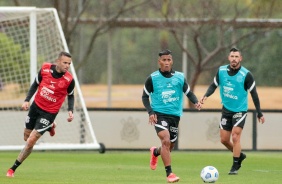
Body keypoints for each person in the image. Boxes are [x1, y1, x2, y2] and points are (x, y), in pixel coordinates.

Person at [6, 51, 75, 178]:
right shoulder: (45, 69)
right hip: (35, 107)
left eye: (69, 63)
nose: (67, 65)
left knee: (31, 141)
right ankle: (50, 126)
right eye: (65, 62)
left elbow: (71, 96)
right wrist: (27, 100)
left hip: (49, 112)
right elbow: (35, 84)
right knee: (26, 137)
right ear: (58, 61)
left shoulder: (69, 80)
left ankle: (12, 169)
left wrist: (71, 110)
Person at [200, 47, 265, 175]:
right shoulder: (221, 71)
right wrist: (205, 95)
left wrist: (259, 112)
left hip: (240, 110)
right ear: (229, 58)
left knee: (235, 136)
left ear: (240, 58)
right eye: (232, 56)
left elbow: (254, 94)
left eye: (237, 57)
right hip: (226, 110)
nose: (234, 59)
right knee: (224, 139)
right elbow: (214, 85)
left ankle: (235, 165)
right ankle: (240, 155)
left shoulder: (246, 75)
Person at [142, 49, 202, 183]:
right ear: (159, 62)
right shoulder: (152, 78)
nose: (167, 62)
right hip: (159, 115)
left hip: (175, 116)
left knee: (169, 146)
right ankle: (170, 174)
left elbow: (189, 92)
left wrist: (196, 102)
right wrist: (151, 112)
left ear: (172, 61)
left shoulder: (180, 77)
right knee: (165, 140)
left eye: (169, 60)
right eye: (164, 60)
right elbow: (145, 97)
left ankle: (155, 152)